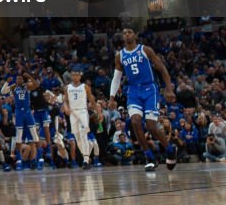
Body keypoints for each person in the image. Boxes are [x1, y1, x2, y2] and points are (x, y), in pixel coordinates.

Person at [111, 26, 177, 171]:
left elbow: (162, 69)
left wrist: (169, 89)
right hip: (133, 90)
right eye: (124, 33)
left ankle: (170, 149)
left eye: (129, 32)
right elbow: (116, 78)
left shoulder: (145, 50)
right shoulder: (120, 56)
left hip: (149, 89)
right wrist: (111, 97)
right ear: (123, 37)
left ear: (135, 35)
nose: (127, 34)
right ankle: (150, 157)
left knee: (151, 126)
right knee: (135, 122)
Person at [1, 73, 39, 170]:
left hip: (27, 112)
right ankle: (20, 162)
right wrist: (7, 82)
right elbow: (3, 91)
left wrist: (30, 76)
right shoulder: (14, 87)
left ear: (23, 80)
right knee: (18, 137)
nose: (18, 80)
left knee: (34, 136)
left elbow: (36, 86)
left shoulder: (27, 86)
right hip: (19, 113)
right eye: (17, 78)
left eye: (20, 78)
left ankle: (35, 160)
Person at [63, 70, 98, 170]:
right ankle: (86, 156)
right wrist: (66, 107)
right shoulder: (67, 87)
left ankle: (86, 160)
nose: (75, 77)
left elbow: (91, 100)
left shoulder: (85, 87)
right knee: (77, 137)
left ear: (80, 76)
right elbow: (65, 100)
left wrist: (98, 112)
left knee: (83, 134)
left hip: (82, 111)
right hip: (73, 113)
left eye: (76, 75)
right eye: (73, 75)